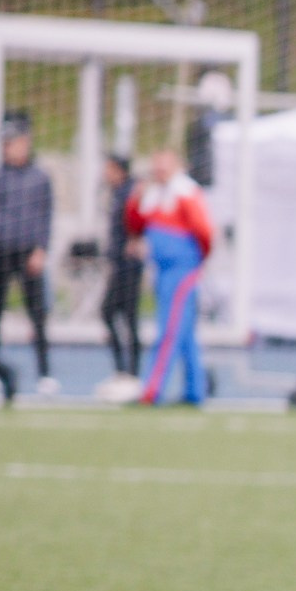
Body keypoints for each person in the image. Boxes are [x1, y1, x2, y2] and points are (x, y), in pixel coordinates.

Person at [125, 147, 212, 407]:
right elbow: (135, 224)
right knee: (184, 333)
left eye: (165, 164)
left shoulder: (185, 191)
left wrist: (198, 263)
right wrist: (135, 200)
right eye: (156, 164)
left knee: (170, 330)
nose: (159, 169)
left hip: (182, 269)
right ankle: (195, 392)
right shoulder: (152, 192)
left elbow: (204, 231)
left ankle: (152, 391)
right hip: (162, 270)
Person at [0, 119, 54, 395]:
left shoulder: (39, 177)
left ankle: (45, 373)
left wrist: (41, 248)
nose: (8, 148)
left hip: (27, 252)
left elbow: (46, 215)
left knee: (37, 315)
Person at [101, 155, 142, 387]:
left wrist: (136, 238)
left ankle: (131, 374)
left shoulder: (132, 192)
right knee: (111, 313)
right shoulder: (118, 192)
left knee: (126, 316)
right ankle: (124, 371)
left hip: (129, 265)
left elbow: (141, 219)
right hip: (119, 262)